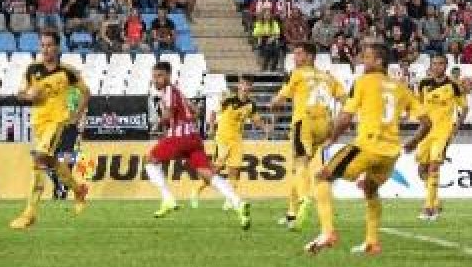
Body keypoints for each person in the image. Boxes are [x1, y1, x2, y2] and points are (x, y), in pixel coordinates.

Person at [307, 43, 431, 256]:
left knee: (321, 178)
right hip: (390, 154)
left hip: (366, 147)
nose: (363, 61)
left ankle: (327, 232)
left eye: (367, 57)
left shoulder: (363, 81)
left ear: (379, 61)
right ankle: (372, 242)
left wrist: (332, 139)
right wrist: (413, 142)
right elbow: (427, 122)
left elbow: (345, 117)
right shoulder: (401, 87)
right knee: (370, 190)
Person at [146, 61, 251, 229]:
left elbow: (168, 115)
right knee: (207, 173)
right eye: (154, 76)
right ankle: (238, 203)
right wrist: (183, 118)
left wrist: (159, 122)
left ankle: (168, 199)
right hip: (194, 138)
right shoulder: (177, 92)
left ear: (168, 76)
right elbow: (196, 111)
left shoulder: (168, 91)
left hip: (180, 137)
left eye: (159, 76)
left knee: (150, 159)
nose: (155, 80)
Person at [9, 30, 91, 230]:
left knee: (38, 159)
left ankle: (29, 213)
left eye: (49, 45)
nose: (45, 49)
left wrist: (76, 115)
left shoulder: (67, 71)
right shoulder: (32, 69)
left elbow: (86, 93)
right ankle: (78, 189)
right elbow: (19, 93)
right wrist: (30, 96)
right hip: (39, 123)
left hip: (58, 122)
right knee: (51, 162)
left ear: (57, 47)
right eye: (43, 45)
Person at [270, 43, 345, 230]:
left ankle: (305, 199)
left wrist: (274, 103)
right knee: (298, 170)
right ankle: (291, 213)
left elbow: (278, 101)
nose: (295, 58)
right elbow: (345, 101)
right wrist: (336, 123)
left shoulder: (298, 74)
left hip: (304, 122)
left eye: (299, 54)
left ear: (310, 57)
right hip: (325, 125)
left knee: (300, 165)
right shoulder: (328, 77)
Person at [198, 76, 267, 210]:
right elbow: (213, 112)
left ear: (251, 88)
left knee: (234, 170)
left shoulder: (251, 105)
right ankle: (198, 190)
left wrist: (265, 129)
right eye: (244, 84)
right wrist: (211, 128)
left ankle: (230, 199)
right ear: (239, 85)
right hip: (222, 138)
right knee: (216, 169)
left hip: (237, 141)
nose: (246, 87)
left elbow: (256, 120)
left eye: (248, 85)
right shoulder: (228, 99)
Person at [415, 54, 468, 221]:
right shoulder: (423, 83)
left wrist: (456, 127)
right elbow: (419, 105)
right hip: (426, 133)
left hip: (443, 132)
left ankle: (428, 207)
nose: (437, 66)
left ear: (446, 66)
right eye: (434, 64)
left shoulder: (453, 85)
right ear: (430, 66)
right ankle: (436, 202)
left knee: (434, 166)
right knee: (421, 170)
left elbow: (464, 107)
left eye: (440, 64)